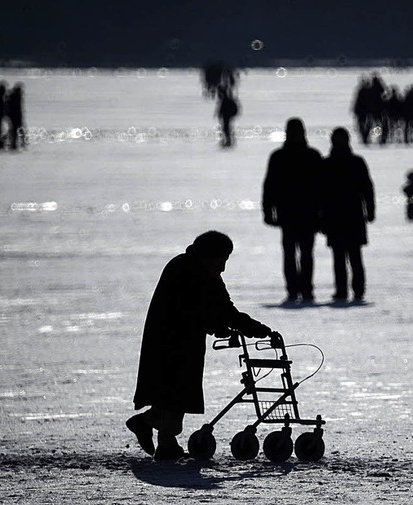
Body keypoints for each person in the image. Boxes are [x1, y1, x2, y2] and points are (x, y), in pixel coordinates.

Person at [127, 231, 272, 461]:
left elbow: (222, 308)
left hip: (185, 341)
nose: (223, 268)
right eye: (221, 261)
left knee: (175, 393)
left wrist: (251, 327)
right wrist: (226, 325)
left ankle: (150, 425)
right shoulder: (183, 270)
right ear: (208, 256)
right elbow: (193, 311)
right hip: (169, 342)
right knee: (174, 392)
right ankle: (165, 443)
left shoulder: (203, 271)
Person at [262, 118, 323, 303]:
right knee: (291, 254)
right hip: (289, 213)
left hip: (305, 213)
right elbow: (269, 186)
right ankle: (294, 290)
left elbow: (323, 187)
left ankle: (305, 289)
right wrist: (267, 210)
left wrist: (322, 211)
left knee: (304, 254)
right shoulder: (282, 156)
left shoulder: (309, 156)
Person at [320, 128, 375, 302]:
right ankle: (353, 290)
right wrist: (370, 210)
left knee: (343, 257)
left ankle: (344, 290)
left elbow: (367, 188)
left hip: (339, 215)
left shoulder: (328, 163)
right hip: (350, 215)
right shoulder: (355, 162)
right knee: (352, 256)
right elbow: (367, 188)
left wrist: (320, 216)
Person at [5, 82, 26, 150]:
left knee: (13, 130)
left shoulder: (12, 95)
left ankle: (12, 142)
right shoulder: (16, 96)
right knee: (17, 130)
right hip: (16, 116)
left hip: (14, 116)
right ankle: (16, 143)